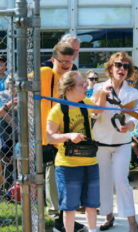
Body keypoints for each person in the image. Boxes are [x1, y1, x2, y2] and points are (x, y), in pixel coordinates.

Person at [30, 42, 86, 231]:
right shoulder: (46, 74)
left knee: (68, 182)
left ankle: (64, 220)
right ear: (53, 60)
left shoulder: (69, 79)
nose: (65, 66)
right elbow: (22, 84)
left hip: (66, 138)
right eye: (62, 62)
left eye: (69, 62)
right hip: (47, 139)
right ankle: (55, 220)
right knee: (55, 181)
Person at [47, 71, 102, 232]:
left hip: (90, 162)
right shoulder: (57, 110)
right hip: (67, 165)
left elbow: (101, 109)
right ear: (69, 88)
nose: (86, 86)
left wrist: (104, 92)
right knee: (69, 206)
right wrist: (69, 136)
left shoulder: (86, 103)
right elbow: (50, 137)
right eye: (82, 84)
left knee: (91, 204)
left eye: (86, 83)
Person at [91, 51, 138, 232]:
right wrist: (102, 94)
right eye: (118, 65)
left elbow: (135, 117)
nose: (122, 69)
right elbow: (96, 113)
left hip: (122, 144)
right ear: (110, 68)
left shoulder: (133, 91)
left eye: (126, 66)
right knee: (103, 181)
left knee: (121, 181)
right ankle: (108, 215)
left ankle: (132, 221)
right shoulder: (99, 88)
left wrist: (130, 126)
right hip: (101, 143)